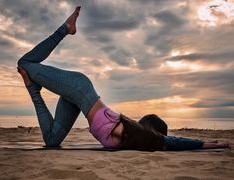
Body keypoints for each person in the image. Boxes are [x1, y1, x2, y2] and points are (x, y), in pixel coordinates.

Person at [17, 6, 231, 151]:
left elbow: (169, 143)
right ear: (151, 129)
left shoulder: (135, 141)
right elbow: (173, 141)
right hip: (81, 89)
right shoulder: (139, 133)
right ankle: (66, 29)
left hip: (77, 100)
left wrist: (203, 144)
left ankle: (33, 89)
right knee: (25, 63)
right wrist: (204, 144)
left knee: (52, 141)